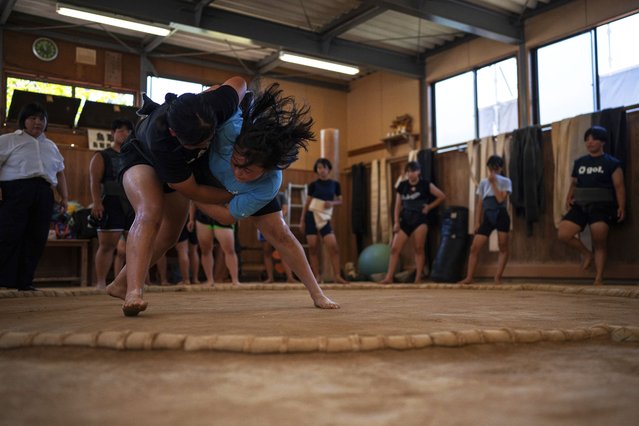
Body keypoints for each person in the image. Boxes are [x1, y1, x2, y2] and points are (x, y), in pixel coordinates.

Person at [105, 76, 247, 316]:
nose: (204, 146)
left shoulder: (216, 104)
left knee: (171, 235)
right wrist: (237, 192)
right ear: (174, 133)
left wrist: (220, 88)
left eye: (208, 139)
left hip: (184, 167)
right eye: (197, 144)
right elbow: (193, 191)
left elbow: (240, 82)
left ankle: (120, 283)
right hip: (141, 157)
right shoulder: (161, 139)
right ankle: (134, 291)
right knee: (150, 211)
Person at [194, 83, 339, 309]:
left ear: (266, 169)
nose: (238, 173)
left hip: (223, 190)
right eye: (236, 164)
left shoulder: (268, 184)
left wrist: (190, 195)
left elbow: (226, 216)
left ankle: (317, 294)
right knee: (164, 226)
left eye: (248, 170)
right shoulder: (230, 128)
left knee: (281, 235)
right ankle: (126, 285)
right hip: (198, 167)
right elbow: (227, 87)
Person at [0, 102, 68, 291]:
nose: (38, 122)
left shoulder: (51, 146)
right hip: (15, 190)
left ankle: (25, 281)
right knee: (9, 235)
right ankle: (4, 280)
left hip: (44, 192)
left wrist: (64, 197)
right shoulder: (8, 140)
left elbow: (60, 172)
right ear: (24, 121)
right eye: (33, 118)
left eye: (41, 118)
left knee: (36, 237)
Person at [557, 126, 625, 286]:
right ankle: (587, 254)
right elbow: (574, 183)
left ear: (602, 142)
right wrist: (568, 197)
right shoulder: (580, 162)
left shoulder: (612, 163)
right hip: (580, 204)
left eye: (593, 138)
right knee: (563, 233)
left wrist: (622, 206)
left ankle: (598, 278)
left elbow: (619, 186)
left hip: (602, 206)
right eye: (587, 139)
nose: (590, 142)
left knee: (599, 239)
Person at [381, 161, 446, 284]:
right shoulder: (402, 185)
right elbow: (397, 205)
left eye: (414, 171)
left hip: (420, 220)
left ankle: (418, 278)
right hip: (405, 219)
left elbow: (442, 196)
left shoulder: (426, 185)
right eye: (409, 171)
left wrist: (429, 207)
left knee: (419, 248)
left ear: (419, 172)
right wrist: (396, 222)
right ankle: (389, 277)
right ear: (406, 173)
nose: (411, 174)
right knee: (395, 248)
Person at [89, 118, 134, 290]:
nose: (125, 134)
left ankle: (133, 283)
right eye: (121, 130)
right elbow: (94, 181)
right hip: (110, 201)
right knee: (107, 245)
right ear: (113, 133)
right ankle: (100, 282)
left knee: (136, 245)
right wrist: (96, 202)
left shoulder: (133, 155)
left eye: (128, 131)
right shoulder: (102, 155)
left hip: (132, 202)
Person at [458, 155, 512, 285]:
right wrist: (476, 221)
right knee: (474, 248)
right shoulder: (483, 182)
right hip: (488, 217)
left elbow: (500, 200)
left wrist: (493, 183)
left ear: (500, 168)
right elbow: (480, 204)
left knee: (503, 246)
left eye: (496, 169)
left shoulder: (506, 181)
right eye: (491, 169)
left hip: (501, 215)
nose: (493, 172)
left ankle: (498, 277)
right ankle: (469, 277)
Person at [300, 158, 348, 283]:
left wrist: (331, 202)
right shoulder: (313, 185)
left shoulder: (335, 184)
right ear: (317, 170)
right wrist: (302, 220)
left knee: (333, 246)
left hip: (324, 217)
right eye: (319, 168)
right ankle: (316, 277)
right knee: (312, 246)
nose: (322, 170)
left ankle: (337, 276)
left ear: (329, 169)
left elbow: (340, 200)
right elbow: (307, 202)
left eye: (324, 167)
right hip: (311, 215)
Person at [195, 208, 240, 286]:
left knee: (229, 250)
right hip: (203, 214)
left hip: (223, 213)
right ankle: (210, 280)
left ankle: (235, 280)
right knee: (205, 250)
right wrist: (191, 219)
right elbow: (193, 201)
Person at [260, 192, 296, 283]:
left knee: (283, 252)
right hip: (264, 225)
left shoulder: (281, 195)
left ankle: (290, 277)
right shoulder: (260, 193)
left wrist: (275, 219)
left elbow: (285, 209)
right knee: (266, 252)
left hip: (278, 225)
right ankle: (270, 277)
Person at [175, 206, 200, 285]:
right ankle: (195, 278)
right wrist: (192, 219)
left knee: (183, 250)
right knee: (193, 251)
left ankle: (186, 279)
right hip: (193, 218)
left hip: (181, 217)